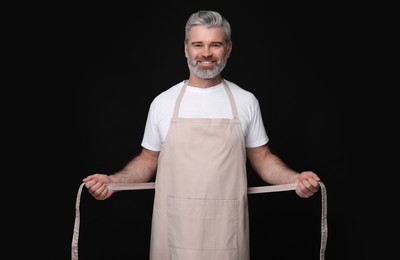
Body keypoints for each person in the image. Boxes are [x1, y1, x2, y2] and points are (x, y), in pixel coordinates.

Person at [83, 10, 321, 260]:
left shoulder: (245, 101)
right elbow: (148, 159)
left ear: (228, 49)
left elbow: (262, 158)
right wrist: (113, 181)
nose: (206, 53)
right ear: (186, 49)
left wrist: (295, 179)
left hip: (226, 230)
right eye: (198, 44)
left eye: (215, 44)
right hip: (174, 228)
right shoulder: (163, 103)